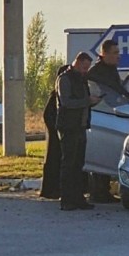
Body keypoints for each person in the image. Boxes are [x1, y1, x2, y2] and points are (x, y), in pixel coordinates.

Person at [56, 52, 101, 211]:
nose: (85, 71)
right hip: (69, 126)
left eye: (87, 68)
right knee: (69, 164)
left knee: (78, 164)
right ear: (77, 62)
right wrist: (87, 101)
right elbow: (66, 102)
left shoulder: (82, 80)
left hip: (81, 126)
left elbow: (82, 103)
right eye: (83, 67)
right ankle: (66, 199)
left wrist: (93, 102)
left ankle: (78, 198)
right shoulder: (65, 79)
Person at [85, 40, 126, 203]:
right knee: (99, 156)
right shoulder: (96, 73)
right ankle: (98, 191)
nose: (118, 56)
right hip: (100, 117)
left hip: (110, 116)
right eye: (115, 53)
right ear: (104, 53)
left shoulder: (110, 70)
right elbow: (102, 96)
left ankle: (103, 190)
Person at [38, 64, 69, 200]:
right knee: (53, 161)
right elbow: (47, 115)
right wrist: (56, 127)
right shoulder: (55, 95)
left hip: (62, 132)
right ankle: (51, 190)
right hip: (55, 134)